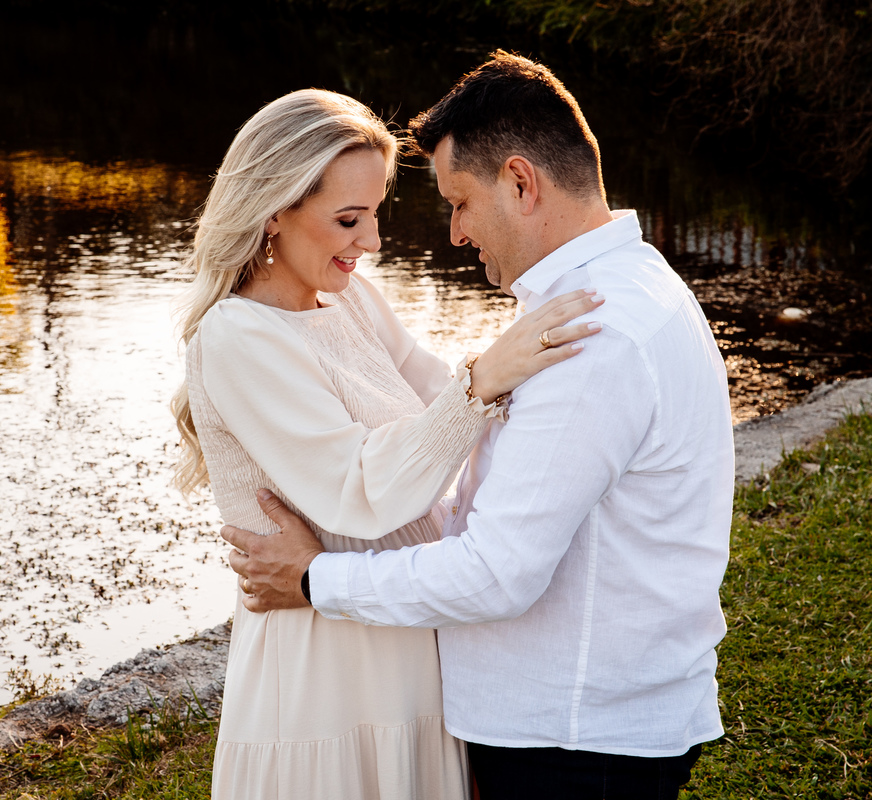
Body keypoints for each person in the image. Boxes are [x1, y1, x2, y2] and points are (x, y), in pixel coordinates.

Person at [222, 52, 734, 800]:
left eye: (459, 202)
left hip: (572, 740)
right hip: (589, 720)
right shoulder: (624, 288)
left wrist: (312, 577)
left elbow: (497, 574)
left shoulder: (590, 337)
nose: (456, 233)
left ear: (521, 183)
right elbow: (441, 402)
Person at [171, 88, 605, 799]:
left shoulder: (348, 296)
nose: (369, 243)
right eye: (348, 219)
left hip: (405, 637)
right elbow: (360, 487)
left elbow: (438, 402)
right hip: (327, 671)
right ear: (274, 212)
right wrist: (486, 377)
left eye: (373, 214)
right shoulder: (236, 337)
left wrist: (541, 387)